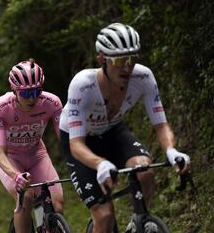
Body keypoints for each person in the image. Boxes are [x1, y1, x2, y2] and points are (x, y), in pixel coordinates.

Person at [59, 23, 190, 233]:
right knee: (104, 215)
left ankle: (139, 223)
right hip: (81, 141)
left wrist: (171, 150)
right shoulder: (82, 85)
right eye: (120, 60)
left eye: (132, 58)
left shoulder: (144, 77)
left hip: (113, 130)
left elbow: (161, 124)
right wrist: (100, 163)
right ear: (102, 59)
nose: (127, 66)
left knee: (145, 171)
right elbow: (76, 145)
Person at [0, 59, 64, 232]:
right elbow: (1, 153)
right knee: (26, 197)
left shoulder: (52, 103)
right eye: (25, 94)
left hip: (37, 154)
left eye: (37, 91)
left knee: (57, 204)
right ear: (14, 91)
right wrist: (16, 176)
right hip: (10, 158)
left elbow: (66, 141)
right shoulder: (0, 108)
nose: (32, 98)